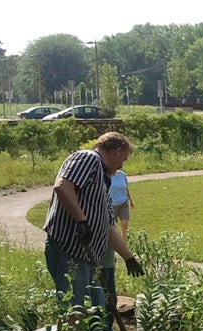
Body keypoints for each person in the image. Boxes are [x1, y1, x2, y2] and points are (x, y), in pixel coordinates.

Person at [42, 132, 144, 311]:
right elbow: (62, 187)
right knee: (74, 308)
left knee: (89, 310)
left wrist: (129, 258)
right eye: (124, 159)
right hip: (70, 250)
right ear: (116, 152)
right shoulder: (89, 158)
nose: (121, 165)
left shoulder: (102, 182)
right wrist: (81, 221)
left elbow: (107, 227)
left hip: (85, 256)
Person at [109, 167, 132, 238]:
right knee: (112, 226)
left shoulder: (122, 174)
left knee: (125, 223)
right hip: (112, 204)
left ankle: (123, 241)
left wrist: (131, 201)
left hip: (123, 202)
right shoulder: (108, 176)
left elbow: (126, 188)